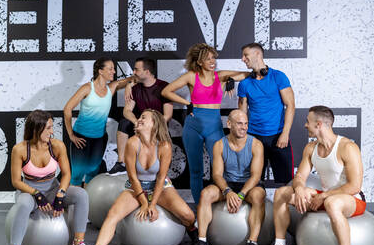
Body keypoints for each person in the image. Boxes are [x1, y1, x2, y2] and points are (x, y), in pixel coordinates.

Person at [256, 106, 366, 245]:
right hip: (328, 196)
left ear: (319, 124)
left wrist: (323, 196)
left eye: (308, 121)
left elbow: (355, 185)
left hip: (352, 199)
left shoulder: (347, 147)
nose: (305, 125)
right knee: (282, 193)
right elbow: (300, 176)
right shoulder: (311, 148)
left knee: (332, 203)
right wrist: (299, 188)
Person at [78, 109, 197, 245]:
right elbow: (133, 177)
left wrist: (152, 204)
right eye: (140, 117)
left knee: (188, 215)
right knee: (113, 214)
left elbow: (161, 177)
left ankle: (192, 231)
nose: (139, 120)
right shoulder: (133, 143)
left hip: (160, 187)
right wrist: (144, 203)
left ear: (154, 124)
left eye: (143, 118)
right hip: (135, 187)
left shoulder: (164, 146)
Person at [161, 43, 249, 203]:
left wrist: (230, 79)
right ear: (199, 62)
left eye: (213, 58)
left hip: (213, 126)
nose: (212, 61)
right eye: (208, 59)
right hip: (193, 125)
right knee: (196, 170)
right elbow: (166, 91)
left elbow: (247, 74)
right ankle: (199, 206)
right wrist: (187, 104)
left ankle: (219, 204)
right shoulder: (191, 76)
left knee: (220, 169)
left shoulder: (220, 75)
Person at [6, 110, 89, 245]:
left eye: (52, 127)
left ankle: (77, 244)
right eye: (48, 128)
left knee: (81, 195)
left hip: (53, 188)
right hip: (29, 191)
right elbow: (16, 181)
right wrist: (36, 194)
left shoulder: (57, 146)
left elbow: (66, 174)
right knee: (23, 204)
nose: (52, 132)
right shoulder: (20, 149)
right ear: (36, 129)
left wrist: (61, 194)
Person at [186, 110, 265, 245]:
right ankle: (202, 241)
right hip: (227, 184)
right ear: (229, 124)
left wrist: (241, 194)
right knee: (206, 194)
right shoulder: (219, 145)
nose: (244, 127)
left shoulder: (256, 144)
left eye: (246, 124)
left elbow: (256, 176)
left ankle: (252, 243)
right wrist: (227, 191)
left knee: (258, 195)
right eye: (239, 123)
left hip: (248, 185)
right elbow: (216, 175)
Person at [64, 57, 134, 186]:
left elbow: (132, 79)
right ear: (100, 71)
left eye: (114, 68)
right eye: (110, 68)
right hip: (81, 138)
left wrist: (129, 85)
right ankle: (73, 204)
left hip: (99, 139)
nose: (114, 71)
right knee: (77, 174)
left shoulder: (111, 88)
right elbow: (67, 109)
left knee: (92, 172)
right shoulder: (87, 88)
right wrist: (71, 135)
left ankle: (87, 203)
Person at [238, 43, 295, 184]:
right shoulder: (244, 83)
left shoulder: (278, 76)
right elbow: (242, 113)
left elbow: (290, 105)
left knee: (286, 182)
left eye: (245, 55)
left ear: (257, 54)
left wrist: (285, 134)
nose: (242, 59)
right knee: (254, 181)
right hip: (254, 137)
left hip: (278, 136)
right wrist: (242, 137)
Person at [109, 57, 173, 176]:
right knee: (124, 122)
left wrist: (152, 126)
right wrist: (136, 122)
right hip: (140, 126)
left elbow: (168, 115)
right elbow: (127, 111)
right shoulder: (135, 88)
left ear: (147, 72)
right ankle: (121, 163)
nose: (133, 72)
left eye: (136, 70)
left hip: (157, 128)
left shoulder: (164, 87)